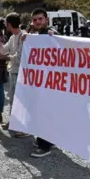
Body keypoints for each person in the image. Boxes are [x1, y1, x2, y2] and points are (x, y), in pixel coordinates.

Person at [24, 9, 56, 157]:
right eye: (35, 20)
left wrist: (54, 37)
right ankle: (47, 140)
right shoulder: (36, 36)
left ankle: (45, 147)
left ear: (46, 19)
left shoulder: (50, 33)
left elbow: (58, 40)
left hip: (50, 83)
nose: (37, 22)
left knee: (45, 113)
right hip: (40, 82)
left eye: (40, 19)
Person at [0, 12, 28, 135]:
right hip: (13, 72)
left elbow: (19, 57)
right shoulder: (13, 37)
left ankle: (24, 127)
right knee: (12, 99)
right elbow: (4, 49)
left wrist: (3, 57)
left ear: (8, 24)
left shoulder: (24, 36)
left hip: (22, 73)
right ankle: (13, 121)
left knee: (21, 101)